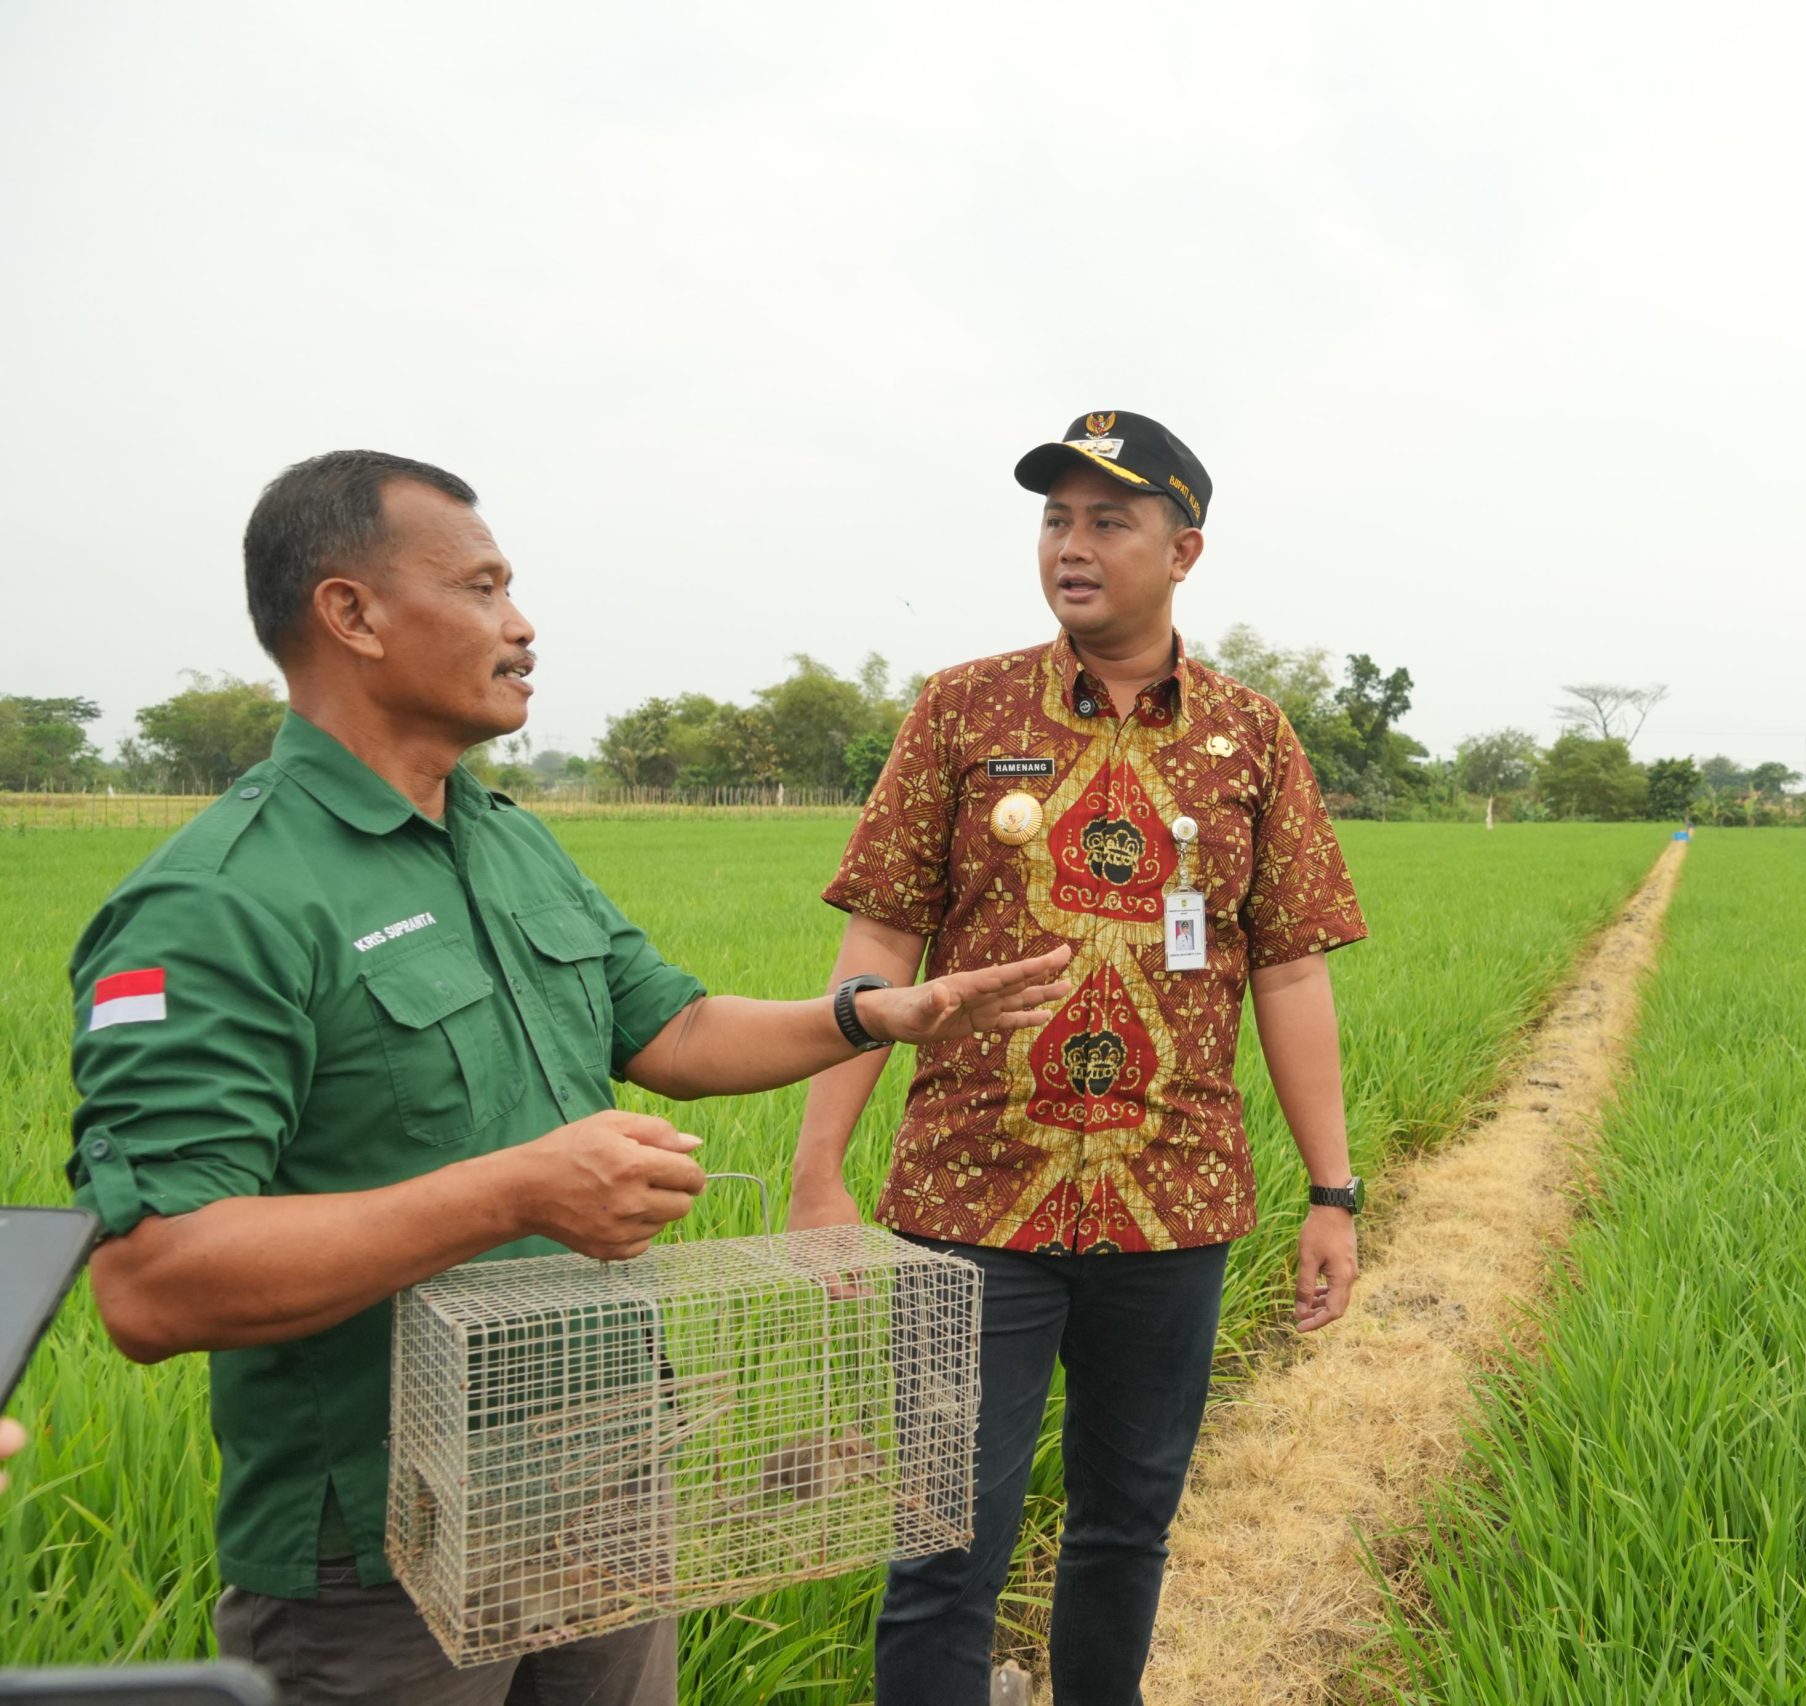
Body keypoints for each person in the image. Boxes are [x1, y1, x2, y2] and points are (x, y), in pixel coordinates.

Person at [65, 451, 1071, 1706]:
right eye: (483, 589)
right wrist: (514, 1193)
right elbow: (151, 1281)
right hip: (386, 1548)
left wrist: (877, 1012)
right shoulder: (222, 903)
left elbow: (678, 1029)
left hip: (607, 1486)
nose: (521, 623)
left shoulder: (506, 839)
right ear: (352, 614)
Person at [790, 411, 1369, 1704]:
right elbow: (877, 936)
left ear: (1186, 549)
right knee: (943, 1549)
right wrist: (818, 1168)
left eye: (1110, 519)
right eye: (1056, 516)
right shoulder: (959, 711)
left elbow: (1289, 966)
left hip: (1174, 1207)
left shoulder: (1251, 738)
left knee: (1125, 1534)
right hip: (966, 1205)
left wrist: (1331, 1191)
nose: (1073, 542)